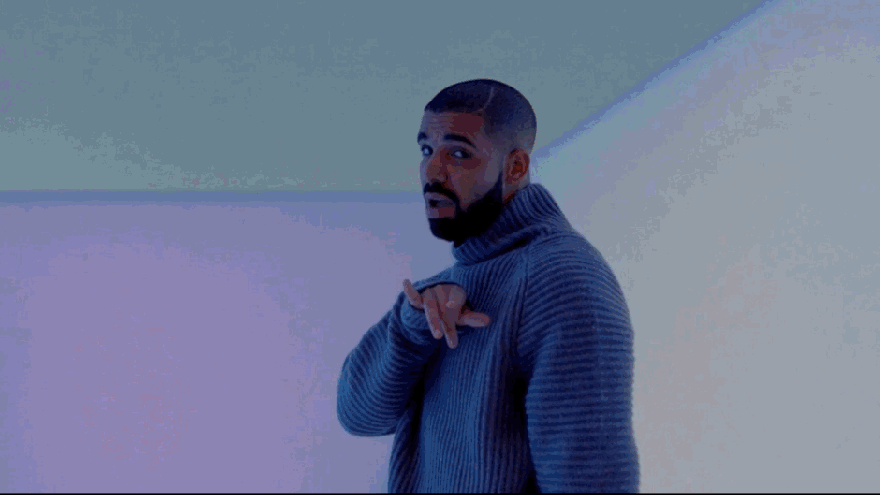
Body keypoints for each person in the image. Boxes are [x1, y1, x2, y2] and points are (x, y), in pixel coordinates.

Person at [336, 79, 639, 493]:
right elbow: (357, 416)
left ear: (515, 168)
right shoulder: (446, 289)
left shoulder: (561, 280)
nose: (432, 172)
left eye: (459, 153)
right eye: (426, 150)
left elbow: (590, 481)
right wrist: (412, 327)